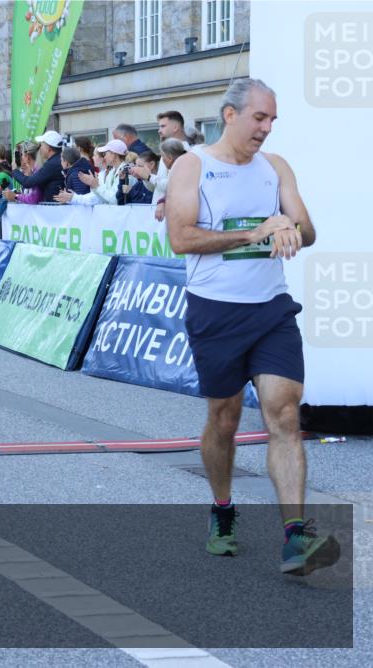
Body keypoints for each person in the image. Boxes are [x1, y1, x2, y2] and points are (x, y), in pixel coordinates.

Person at [165, 78, 336, 576]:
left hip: (271, 309)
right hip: (215, 311)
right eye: (260, 118)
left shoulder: (275, 168)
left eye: (273, 120)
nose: (267, 128)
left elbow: (308, 230)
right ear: (230, 114)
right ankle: (222, 510)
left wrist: (289, 228)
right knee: (225, 419)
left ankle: (295, 537)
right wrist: (253, 231)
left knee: (283, 414)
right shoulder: (192, 166)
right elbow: (180, 237)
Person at [54, 139, 128, 206]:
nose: (104, 156)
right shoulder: (111, 172)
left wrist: (95, 186)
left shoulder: (125, 171)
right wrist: (73, 198)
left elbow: (114, 199)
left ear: (114, 155)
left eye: (106, 153)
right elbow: (100, 198)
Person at [12, 130, 65, 201]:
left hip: (55, 209)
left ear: (49, 148)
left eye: (42, 145)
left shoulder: (52, 164)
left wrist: (14, 170)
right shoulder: (57, 160)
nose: (40, 148)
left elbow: (28, 183)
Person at [153, 138, 188, 220]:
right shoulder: (183, 166)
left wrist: (148, 177)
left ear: (170, 158)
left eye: (162, 156)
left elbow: (174, 189)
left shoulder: (183, 170)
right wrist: (162, 201)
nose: (162, 159)